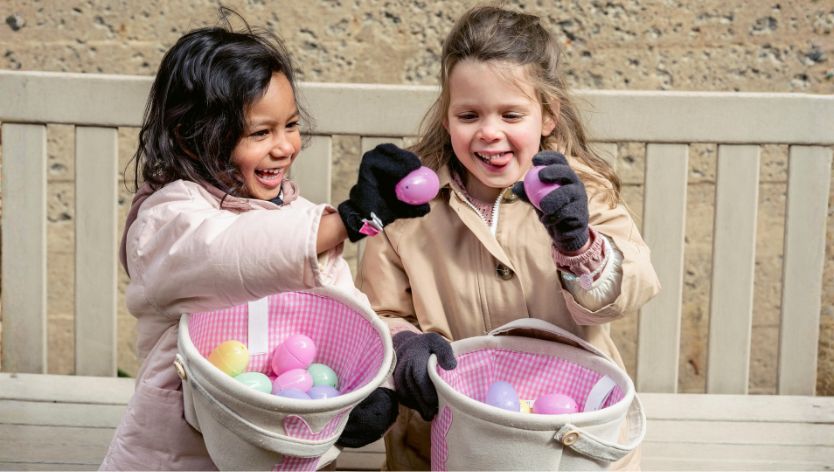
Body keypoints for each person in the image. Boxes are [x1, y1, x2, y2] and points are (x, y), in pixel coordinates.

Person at [100, 11, 427, 471]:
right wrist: (345, 222)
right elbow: (228, 253)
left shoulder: (295, 215)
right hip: (183, 452)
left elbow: (346, 311)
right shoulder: (167, 219)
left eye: (290, 125)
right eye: (260, 133)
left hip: (287, 442)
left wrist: (384, 380)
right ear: (193, 140)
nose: (285, 147)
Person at [352, 5, 662, 470]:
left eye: (512, 114)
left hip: (570, 439)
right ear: (447, 117)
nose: (489, 133)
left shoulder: (581, 193)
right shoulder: (408, 206)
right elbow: (378, 311)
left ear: (548, 115)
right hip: (447, 440)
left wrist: (578, 244)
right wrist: (404, 346)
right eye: (469, 114)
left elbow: (629, 288)